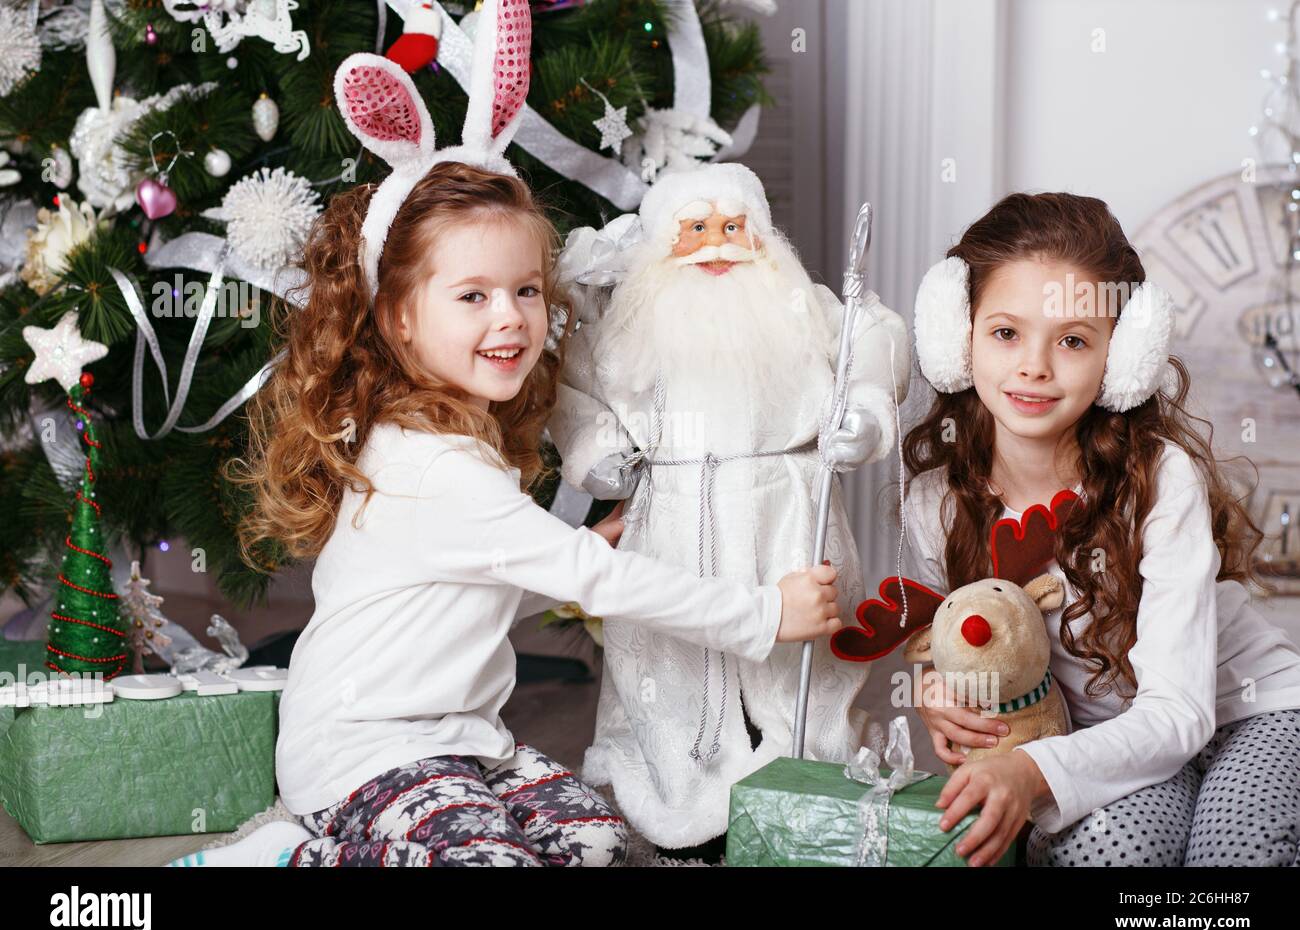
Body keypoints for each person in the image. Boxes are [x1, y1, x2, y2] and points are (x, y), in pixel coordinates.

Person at [164, 36, 841, 869]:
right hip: (362, 756)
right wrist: (764, 615)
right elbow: (603, 586)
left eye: (524, 289)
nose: (512, 318)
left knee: (594, 841)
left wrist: (582, 544)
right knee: (491, 864)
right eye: (473, 296)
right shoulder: (431, 465)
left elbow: (465, 595)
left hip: (464, 743)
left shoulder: (451, 437)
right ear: (397, 317)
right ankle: (283, 857)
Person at [901, 191, 1300, 867]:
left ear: (1122, 360)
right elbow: (965, 642)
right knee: (1110, 853)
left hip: (1245, 714)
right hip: (1109, 738)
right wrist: (942, 692)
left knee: (1236, 854)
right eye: (1006, 333)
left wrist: (1031, 773)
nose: (1034, 365)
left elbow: (1180, 713)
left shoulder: (1159, 477)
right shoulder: (936, 501)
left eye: (1074, 340)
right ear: (957, 338)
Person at [547, 164, 910, 859]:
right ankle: (680, 785)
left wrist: (861, 413)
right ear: (661, 243)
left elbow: (877, 338)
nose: (716, 246)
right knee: (673, 666)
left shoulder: (803, 306)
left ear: (761, 234)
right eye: (695, 230)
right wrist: (600, 451)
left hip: (787, 513)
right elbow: (577, 389)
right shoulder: (629, 324)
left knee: (795, 671)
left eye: (732, 228)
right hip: (674, 522)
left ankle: (805, 771)